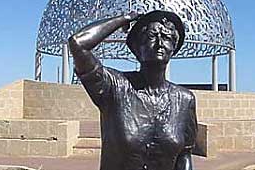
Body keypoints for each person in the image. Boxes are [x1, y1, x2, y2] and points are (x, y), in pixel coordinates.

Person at [68, 10, 197, 170]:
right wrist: (123, 19)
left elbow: (184, 155)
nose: (159, 43)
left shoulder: (185, 100)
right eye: (151, 36)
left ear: (174, 48)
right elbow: (78, 44)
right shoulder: (115, 87)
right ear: (137, 47)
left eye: (167, 38)